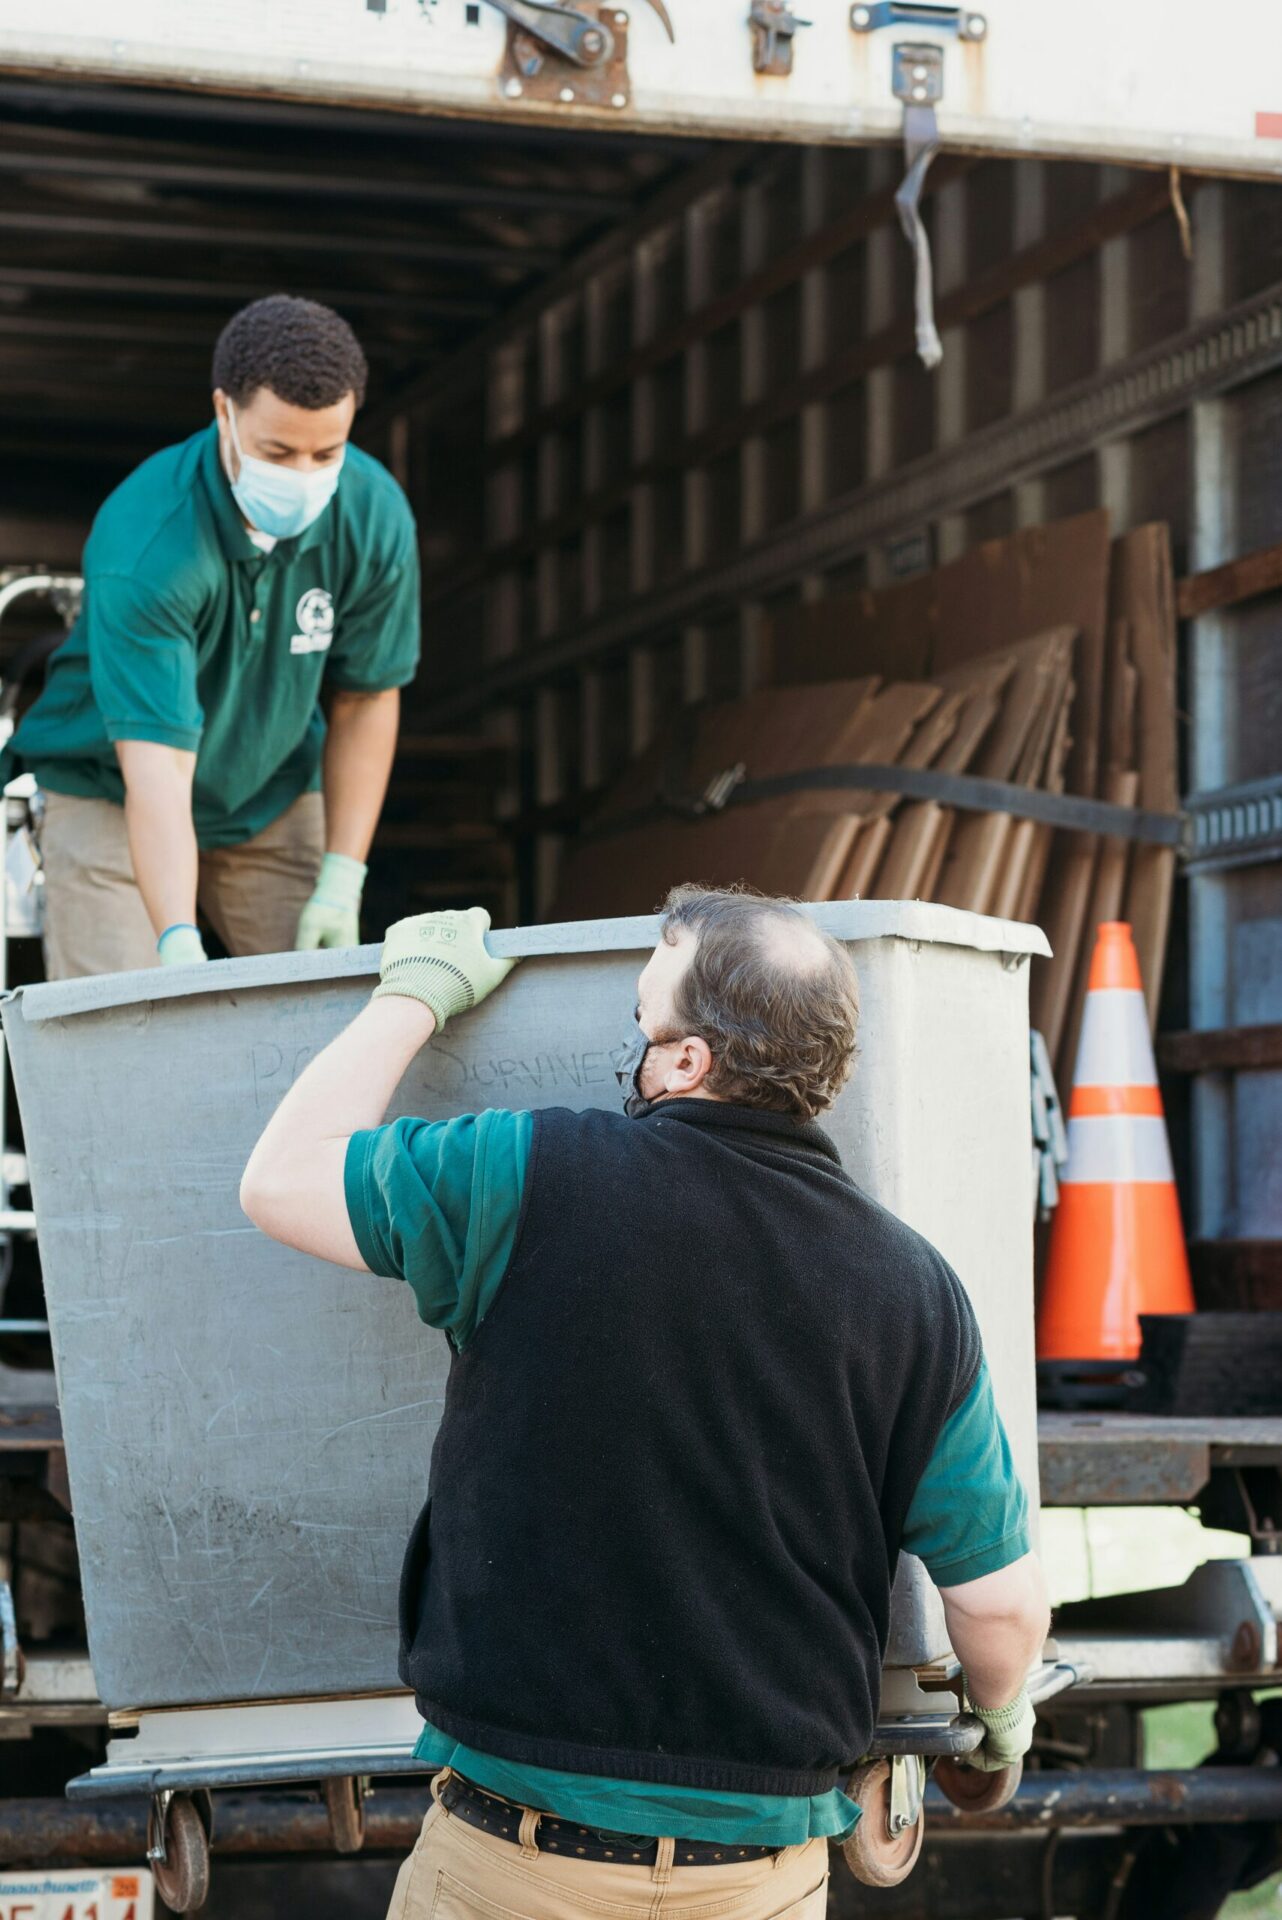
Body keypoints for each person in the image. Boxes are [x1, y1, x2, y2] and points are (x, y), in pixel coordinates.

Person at [241, 886, 1050, 1920]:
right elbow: (997, 1604)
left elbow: (278, 1182)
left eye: (641, 1019)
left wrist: (415, 996)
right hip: (758, 1886)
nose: (633, 1042)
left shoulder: (522, 1174)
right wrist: (1001, 1720)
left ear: (685, 1062)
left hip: (514, 1869)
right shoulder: (915, 1292)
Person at [7, 294, 420, 979]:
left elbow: (366, 698)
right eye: (278, 450)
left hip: (271, 792)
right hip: (113, 789)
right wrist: (175, 937)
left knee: (319, 1021)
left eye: (327, 452)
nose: (303, 477)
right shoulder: (149, 542)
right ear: (223, 410)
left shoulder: (372, 515)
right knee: (126, 1028)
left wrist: (342, 877)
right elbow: (161, 772)